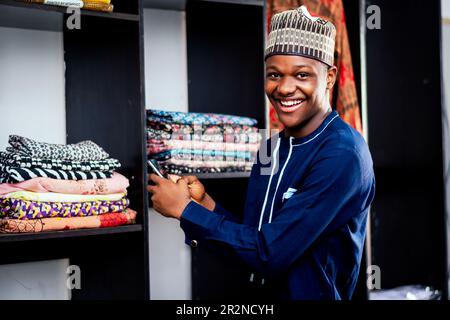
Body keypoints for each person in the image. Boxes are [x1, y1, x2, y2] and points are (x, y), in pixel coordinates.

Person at [147, 6, 375, 300]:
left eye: (302, 75)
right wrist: (206, 205)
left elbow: (270, 254)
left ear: (330, 77)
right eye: (274, 74)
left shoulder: (343, 155)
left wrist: (185, 211)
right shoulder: (270, 147)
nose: (284, 88)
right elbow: (254, 238)